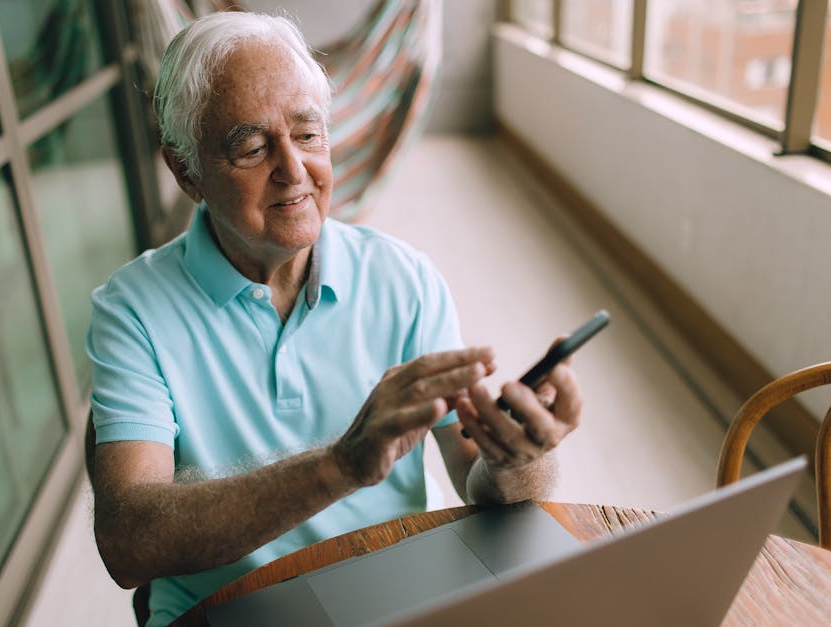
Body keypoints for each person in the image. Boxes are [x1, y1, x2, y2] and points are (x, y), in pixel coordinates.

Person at [87, 11, 582, 626]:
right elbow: (129, 543)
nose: (293, 171)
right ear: (187, 172)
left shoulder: (403, 279)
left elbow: (475, 478)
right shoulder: (132, 310)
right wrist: (341, 465)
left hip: (392, 599)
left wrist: (521, 460)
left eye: (308, 134)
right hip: (228, 612)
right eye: (251, 147)